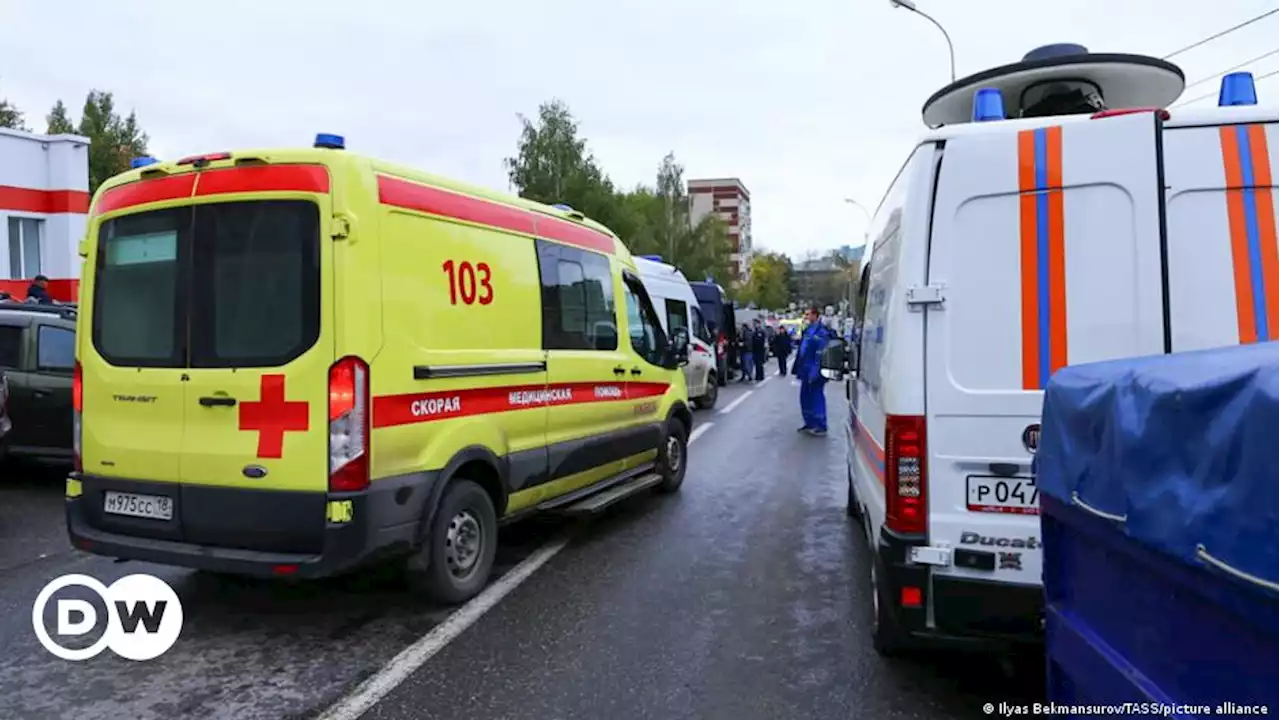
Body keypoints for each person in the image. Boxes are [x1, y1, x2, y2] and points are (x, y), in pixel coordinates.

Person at [792, 305, 832, 436]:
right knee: (805, 396)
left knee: (816, 396)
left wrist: (815, 371)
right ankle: (809, 422)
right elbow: (803, 348)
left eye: (808, 314)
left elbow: (820, 353)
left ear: (815, 315)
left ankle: (820, 424)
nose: (806, 316)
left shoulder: (821, 332)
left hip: (815, 369)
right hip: (805, 368)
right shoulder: (808, 329)